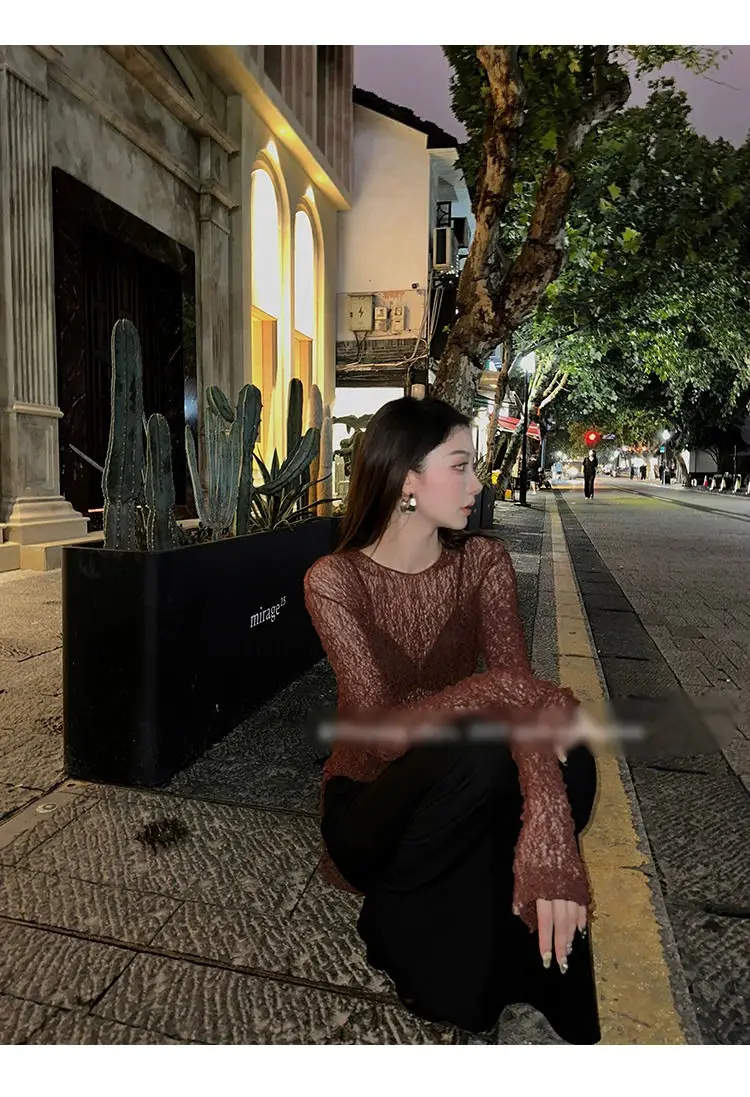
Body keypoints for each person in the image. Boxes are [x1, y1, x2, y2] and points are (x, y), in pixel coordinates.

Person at [303, 397, 601, 1043]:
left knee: (571, 759)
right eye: (460, 466)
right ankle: (398, 919)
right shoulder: (334, 579)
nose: (476, 484)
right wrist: (493, 690)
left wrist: (549, 820)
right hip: (371, 803)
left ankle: (515, 954)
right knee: (482, 752)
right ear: (407, 478)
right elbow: (384, 736)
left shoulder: (482, 562)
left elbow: (520, 695)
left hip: (463, 782)